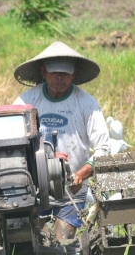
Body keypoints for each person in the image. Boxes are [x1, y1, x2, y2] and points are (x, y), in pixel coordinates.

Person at [13, 41, 110, 240]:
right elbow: (12, 140)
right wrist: (46, 156)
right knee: (27, 239)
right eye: (54, 73)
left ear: (73, 74)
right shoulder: (26, 102)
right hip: (33, 190)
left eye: (65, 74)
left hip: (71, 191)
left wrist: (82, 173)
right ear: (43, 72)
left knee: (63, 239)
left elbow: (104, 148)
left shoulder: (86, 104)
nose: (60, 78)